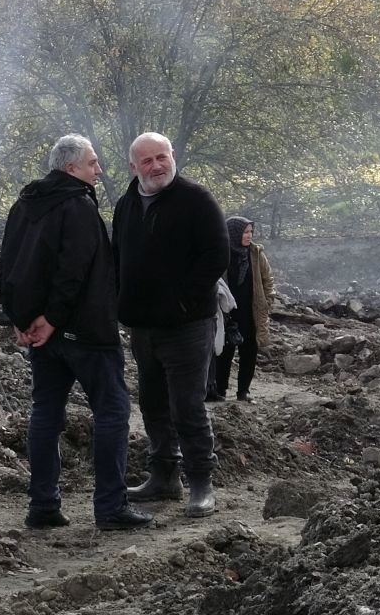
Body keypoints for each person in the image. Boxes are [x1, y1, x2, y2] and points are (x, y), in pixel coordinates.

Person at [0, 134, 152, 532]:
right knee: (113, 411)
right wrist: (51, 318)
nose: (99, 169)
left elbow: (7, 269)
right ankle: (111, 508)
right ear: (71, 169)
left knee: (46, 411)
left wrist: (21, 318)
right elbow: (74, 272)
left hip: (44, 335)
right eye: (92, 163)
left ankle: (43, 506)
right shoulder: (77, 206)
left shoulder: (24, 205)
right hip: (84, 331)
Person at [112, 132, 228, 518]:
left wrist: (183, 300)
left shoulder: (197, 200)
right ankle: (163, 476)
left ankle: (200, 483)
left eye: (162, 157)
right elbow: (118, 258)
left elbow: (216, 256)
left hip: (187, 325)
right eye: (147, 161)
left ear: (172, 156)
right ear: (133, 167)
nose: (157, 166)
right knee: (153, 403)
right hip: (143, 327)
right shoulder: (126, 204)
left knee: (187, 405)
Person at [213, 217, 275, 402]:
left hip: (250, 311)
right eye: (245, 232)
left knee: (249, 351)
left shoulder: (255, 254)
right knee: (224, 351)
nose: (249, 236)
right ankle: (220, 390)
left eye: (250, 232)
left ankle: (243, 391)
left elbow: (267, 279)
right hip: (227, 311)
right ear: (233, 233)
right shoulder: (221, 253)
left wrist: (267, 301)